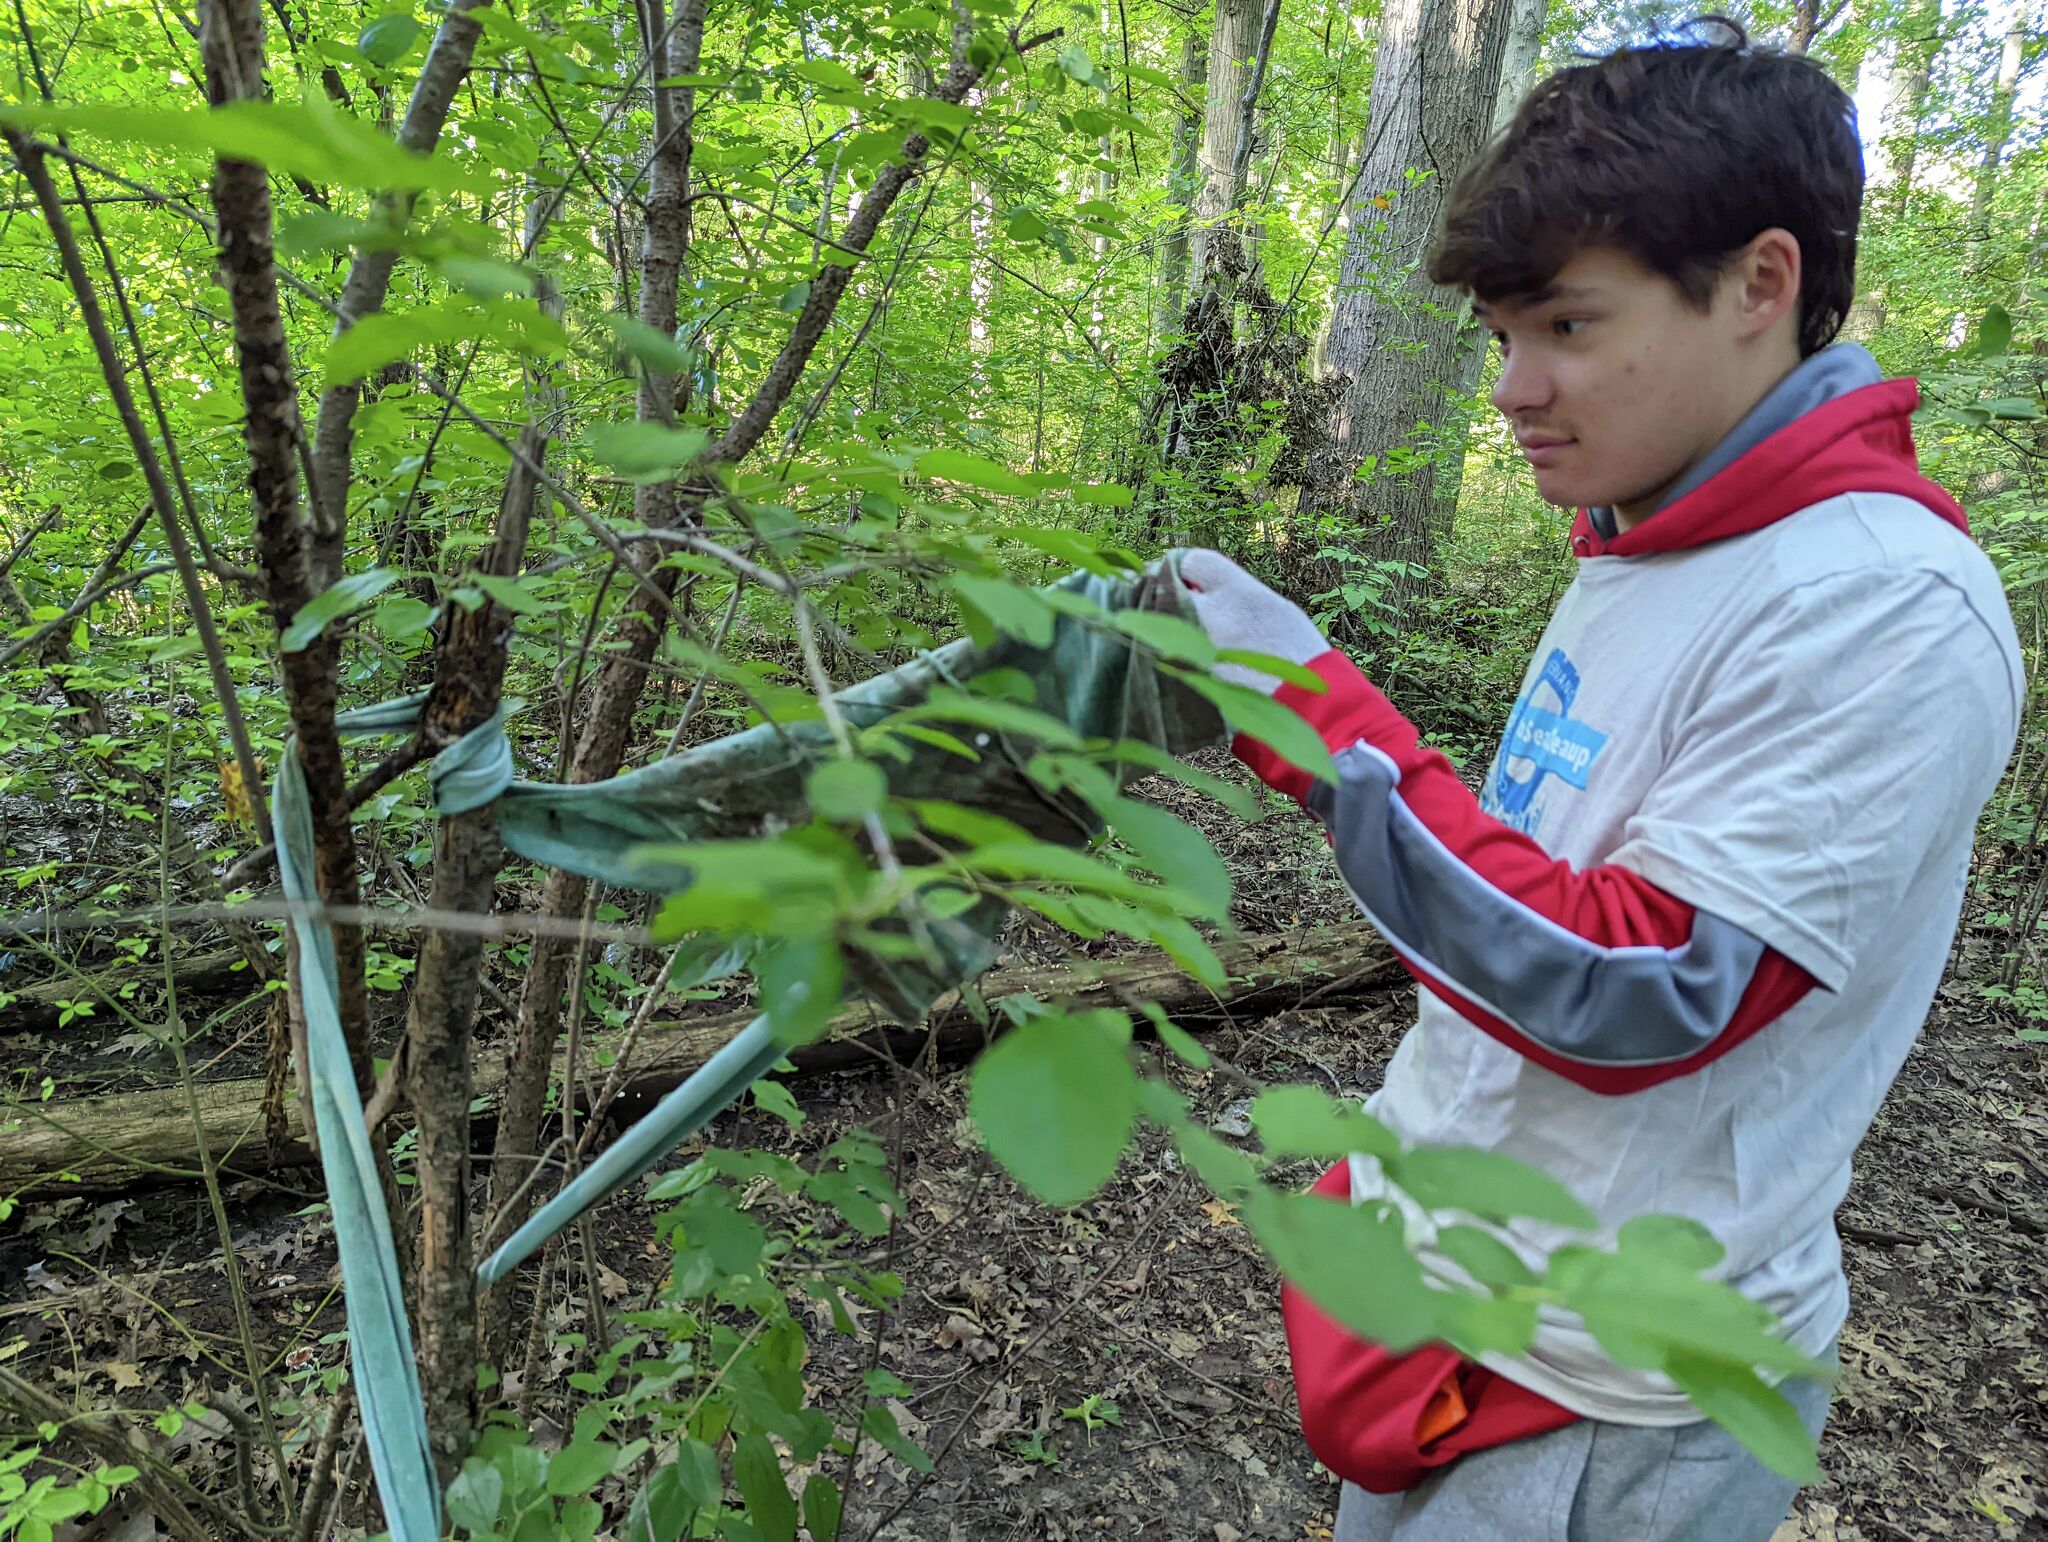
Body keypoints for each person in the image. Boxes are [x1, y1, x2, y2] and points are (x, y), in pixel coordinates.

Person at [1180, 22, 2023, 1542]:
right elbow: (1539, 874)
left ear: (1764, 284)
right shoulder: (1652, 525)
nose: (1513, 387)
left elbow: (1642, 982)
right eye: (1504, 335)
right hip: (1464, 1296)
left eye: (1567, 327)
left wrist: (1317, 718)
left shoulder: (1883, 605)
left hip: (1605, 1392)